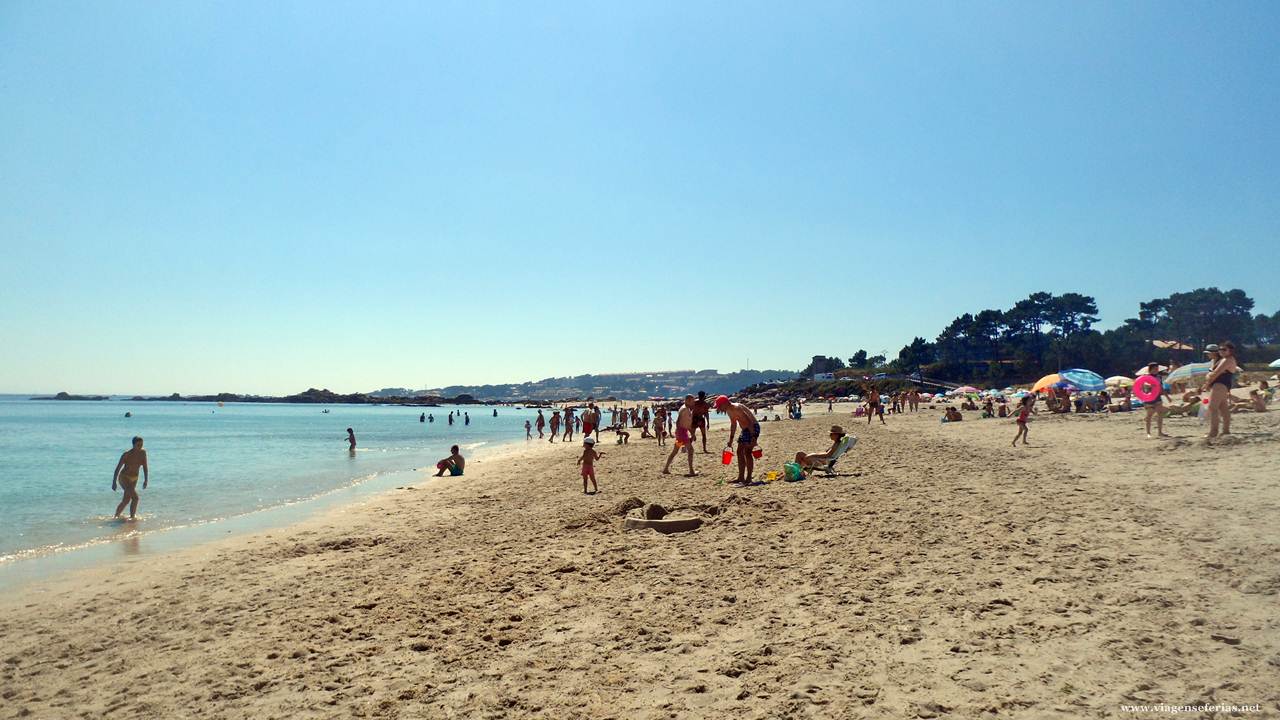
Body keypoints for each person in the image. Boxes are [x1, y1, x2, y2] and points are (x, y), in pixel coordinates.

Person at [716, 395, 760, 485]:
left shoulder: (737, 408)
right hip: (745, 429)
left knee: (747, 452)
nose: (719, 409)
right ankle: (740, 477)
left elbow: (749, 421)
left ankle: (748, 478)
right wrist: (731, 440)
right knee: (739, 451)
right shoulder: (729, 411)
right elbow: (733, 424)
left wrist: (754, 437)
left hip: (752, 428)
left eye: (719, 406)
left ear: (724, 404)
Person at [1201, 341, 1238, 438]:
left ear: (1230, 350)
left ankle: (1213, 432)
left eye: (1224, 349)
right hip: (1222, 384)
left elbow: (1215, 373)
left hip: (1219, 384)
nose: (1221, 351)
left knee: (1213, 407)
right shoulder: (1225, 359)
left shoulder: (1227, 360)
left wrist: (1207, 381)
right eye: (1220, 349)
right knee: (1223, 408)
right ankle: (1225, 430)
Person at [112, 436, 149, 520]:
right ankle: (132, 518)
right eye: (138, 445)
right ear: (133, 445)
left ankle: (116, 516)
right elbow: (117, 468)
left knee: (126, 500)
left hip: (134, 478)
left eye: (141, 445)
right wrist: (114, 482)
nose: (140, 447)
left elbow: (145, 467)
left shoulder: (143, 453)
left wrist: (146, 480)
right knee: (135, 498)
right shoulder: (126, 454)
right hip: (124, 477)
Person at [662, 395, 698, 477]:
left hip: (682, 433)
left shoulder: (685, 408)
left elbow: (685, 423)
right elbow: (679, 421)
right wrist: (681, 432)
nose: (693, 402)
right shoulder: (685, 409)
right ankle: (691, 471)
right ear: (688, 400)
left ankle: (666, 469)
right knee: (690, 450)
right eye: (692, 401)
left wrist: (691, 433)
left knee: (675, 450)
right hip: (682, 433)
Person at [1141, 362, 1171, 438]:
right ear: (1150, 369)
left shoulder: (1159, 377)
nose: (1157, 370)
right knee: (1149, 415)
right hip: (1149, 398)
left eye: (1157, 369)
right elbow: (1144, 385)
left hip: (1157, 397)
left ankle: (1160, 432)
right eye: (1155, 369)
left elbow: (1161, 388)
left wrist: (1167, 397)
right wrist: (1150, 385)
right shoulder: (1146, 377)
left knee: (1160, 414)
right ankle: (1148, 433)